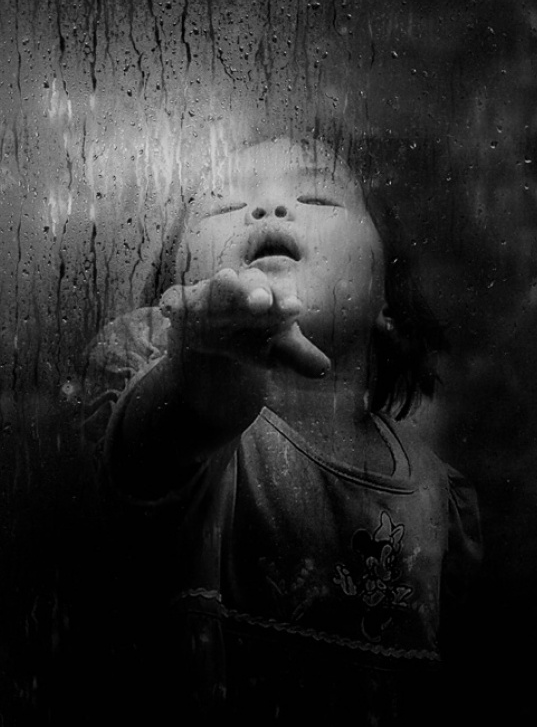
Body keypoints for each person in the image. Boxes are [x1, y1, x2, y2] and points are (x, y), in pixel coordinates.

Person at [82, 135, 481, 725]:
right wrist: (201, 374)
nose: (267, 209)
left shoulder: (441, 501)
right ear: (175, 292)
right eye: (223, 205)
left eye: (318, 198)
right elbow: (147, 448)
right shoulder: (167, 385)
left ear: (388, 299)